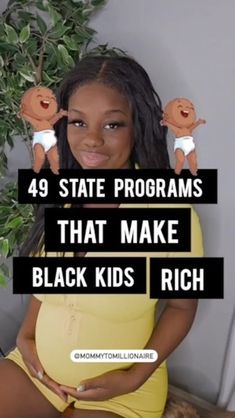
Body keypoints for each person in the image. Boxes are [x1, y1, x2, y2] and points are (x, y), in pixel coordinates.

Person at [0, 55, 203, 418]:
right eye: (78, 121)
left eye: (112, 125)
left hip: (121, 392)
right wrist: (25, 337)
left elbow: (181, 306)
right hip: (37, 373)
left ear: (137, 126)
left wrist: (136, 375)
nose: (91, 140)